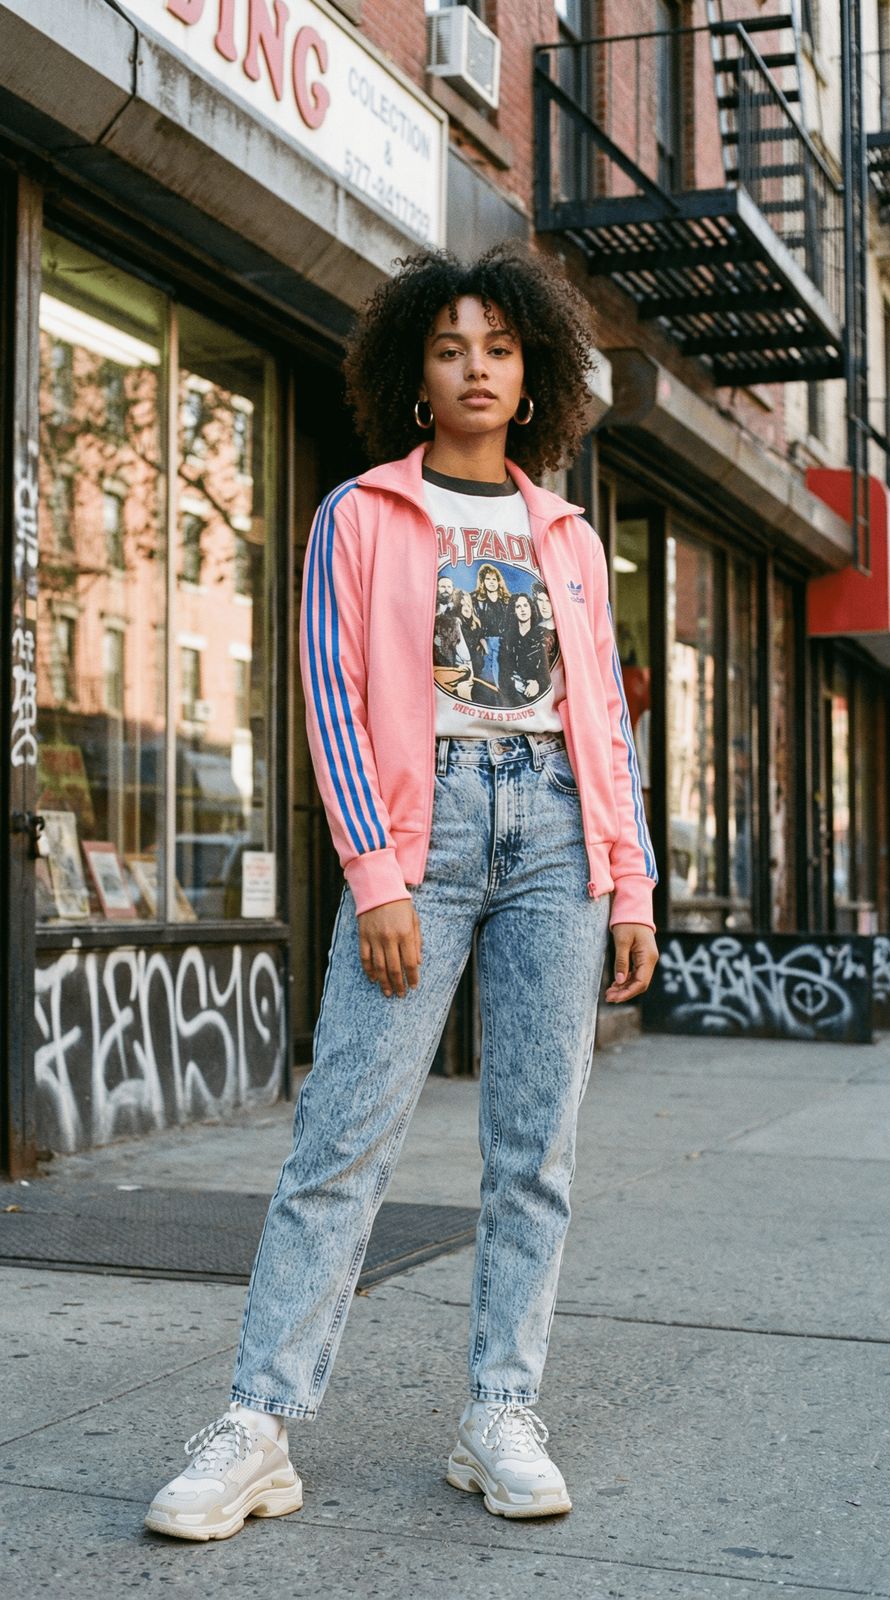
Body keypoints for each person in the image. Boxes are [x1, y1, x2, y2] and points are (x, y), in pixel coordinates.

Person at [145, 244, 659, 1540]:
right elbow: (330, 697)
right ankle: (258, 1423)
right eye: (450, 348)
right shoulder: (360, 515)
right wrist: (374, 873)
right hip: (419, 833)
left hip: (553, 830)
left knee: (532, 1152)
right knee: (343, 1138)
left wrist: (629, 880)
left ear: (531, 372)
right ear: (413, 375)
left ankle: (499, 1413)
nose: (476, 367)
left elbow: (598, 713)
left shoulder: (567, 535)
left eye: (497, 346)